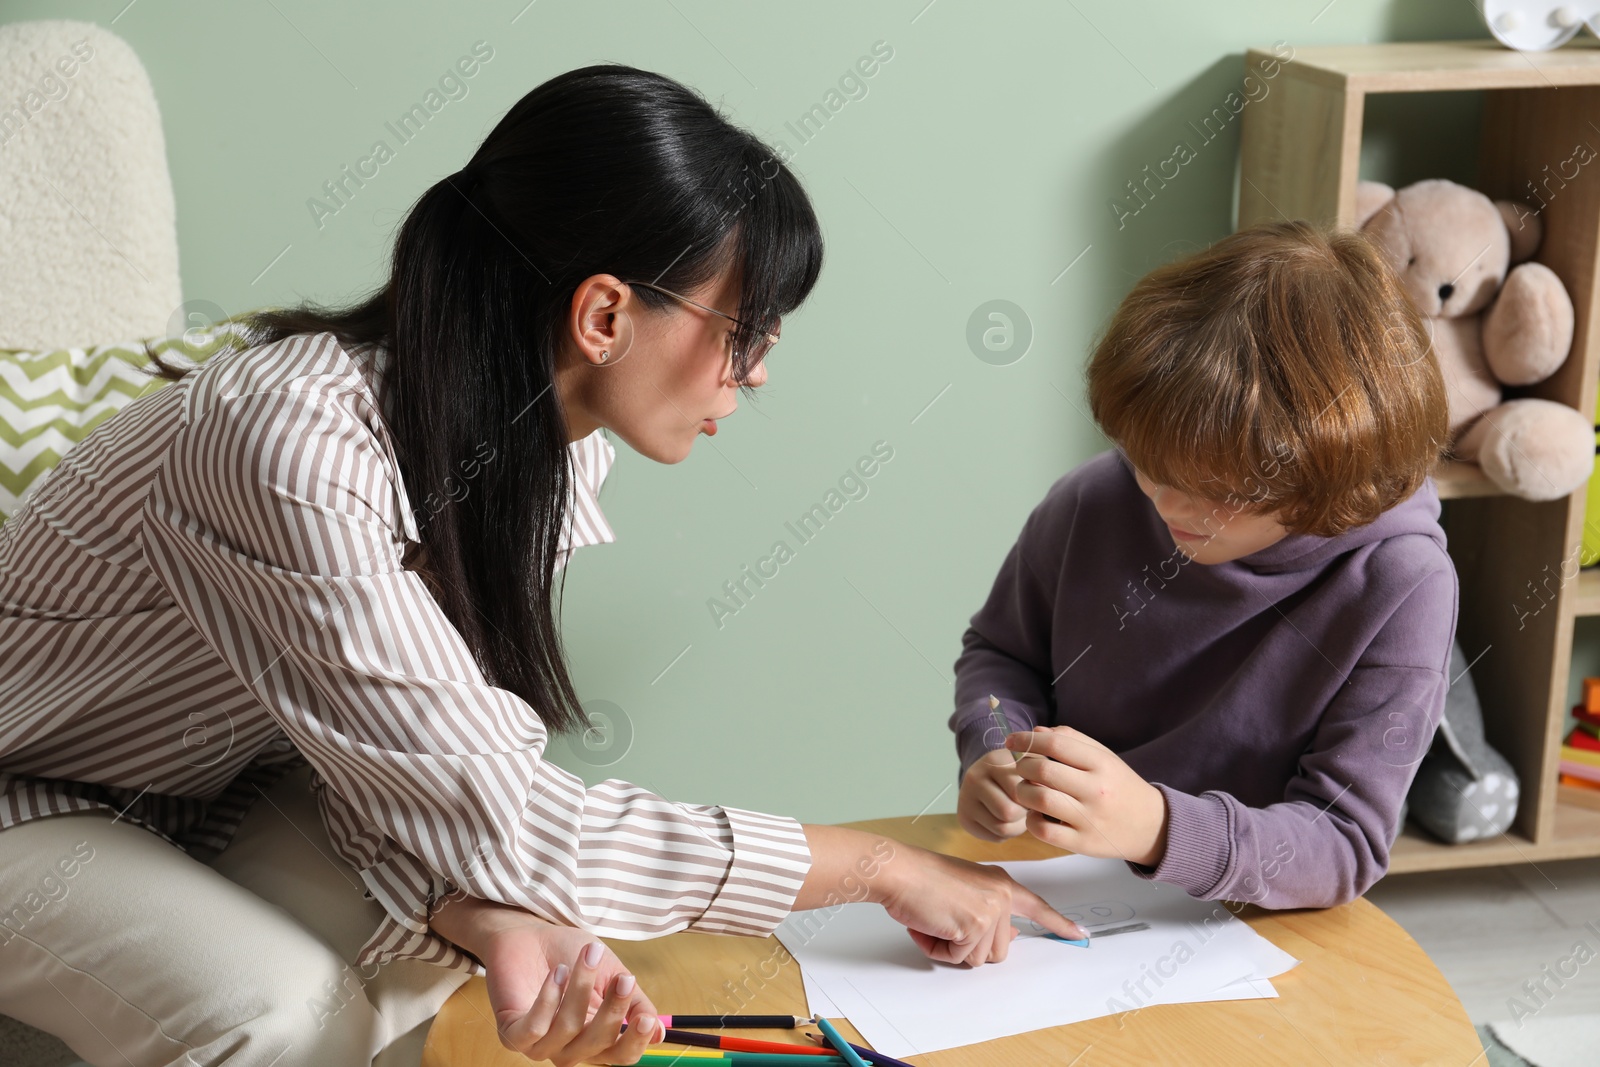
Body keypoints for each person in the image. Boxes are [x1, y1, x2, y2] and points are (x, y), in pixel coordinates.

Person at [0, 64, 1084, 1067]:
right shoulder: (287, 443)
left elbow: (415, 766)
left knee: (474, 944)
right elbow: (503, 809)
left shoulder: (550, 463)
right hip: (29, 794)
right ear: (605, 312)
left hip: (222, 784)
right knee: (273, 1008)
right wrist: (879, 863)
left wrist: (488, 911)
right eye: (745, 329)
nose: (752, 376)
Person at [951, 220, 1458, 911]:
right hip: (1059, 891)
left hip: (1251, 924)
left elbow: (1343, 841)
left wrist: (1159, 828)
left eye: (1217, 491)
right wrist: (990, 741)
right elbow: (999, 654)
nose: (1164, 501)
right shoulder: (1096, 497)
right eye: (1150, 464)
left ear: (1324, 482)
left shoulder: (1402, 583)